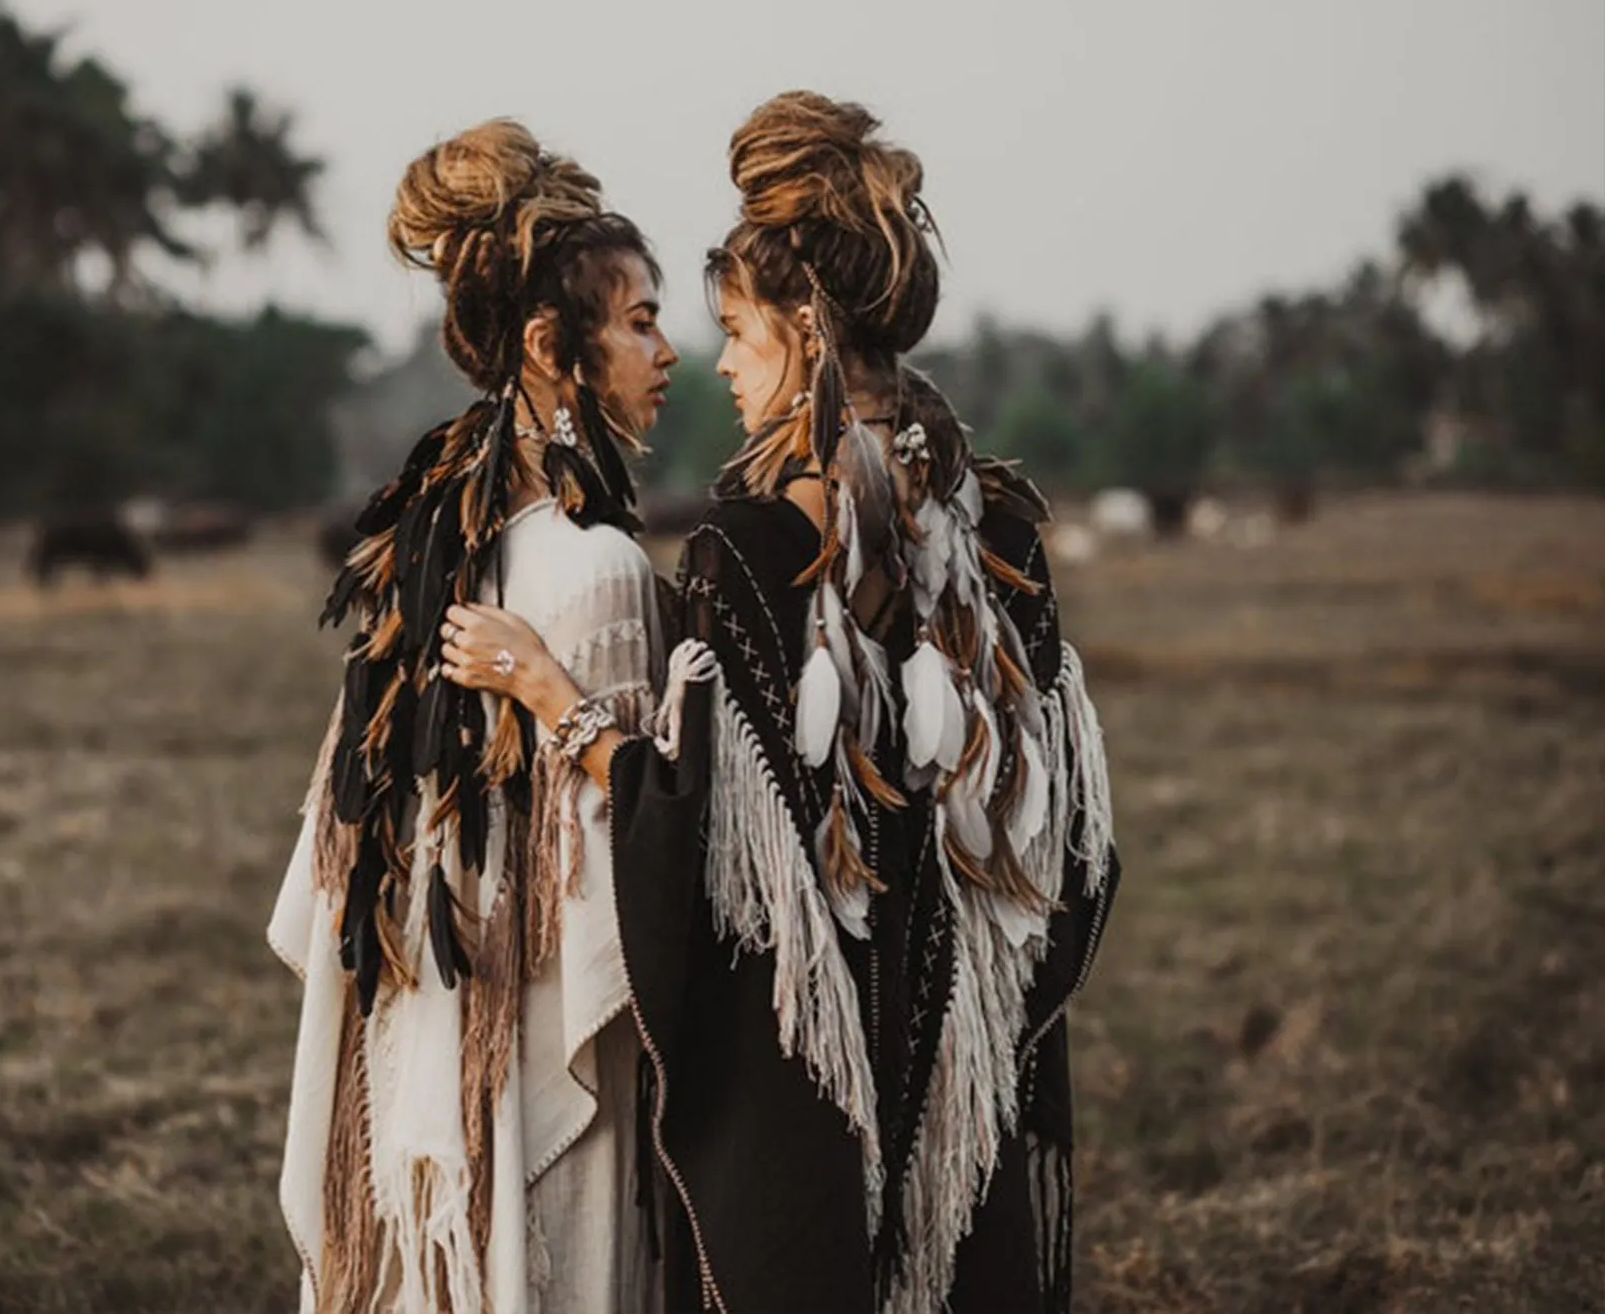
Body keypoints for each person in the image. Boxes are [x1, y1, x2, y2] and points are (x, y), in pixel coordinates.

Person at [442, 91, 1119, 1314]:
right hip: (971, 1063)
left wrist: (555, 699)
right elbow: (1066, 837)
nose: (724, 370)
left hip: (812, 1100)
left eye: (738, 336)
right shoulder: (1000, 524)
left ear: (801, 334)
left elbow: (698, 837)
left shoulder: (751, 549)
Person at [268, 118, 679, 1314]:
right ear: (553, 347)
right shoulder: (598, 569)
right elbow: (632, 867)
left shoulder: (431, 547)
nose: (666, 349)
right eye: (641, 319)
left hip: (429, 1032)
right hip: (552, 1043)